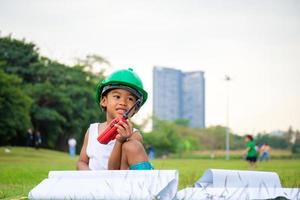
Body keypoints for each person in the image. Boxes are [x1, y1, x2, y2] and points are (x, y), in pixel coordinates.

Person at [77, 68, 153, 170]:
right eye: (117, 96)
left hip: (119, 183)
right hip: (94, 183)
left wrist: (120, 141)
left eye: (130, 99)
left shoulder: (134, 135)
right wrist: (91, 178)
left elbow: (114, 171)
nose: (123, 102)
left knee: (132, 146)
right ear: (104, 101)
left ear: (135, 109)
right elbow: (82, 162)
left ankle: (149, 181)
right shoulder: (92, 131)